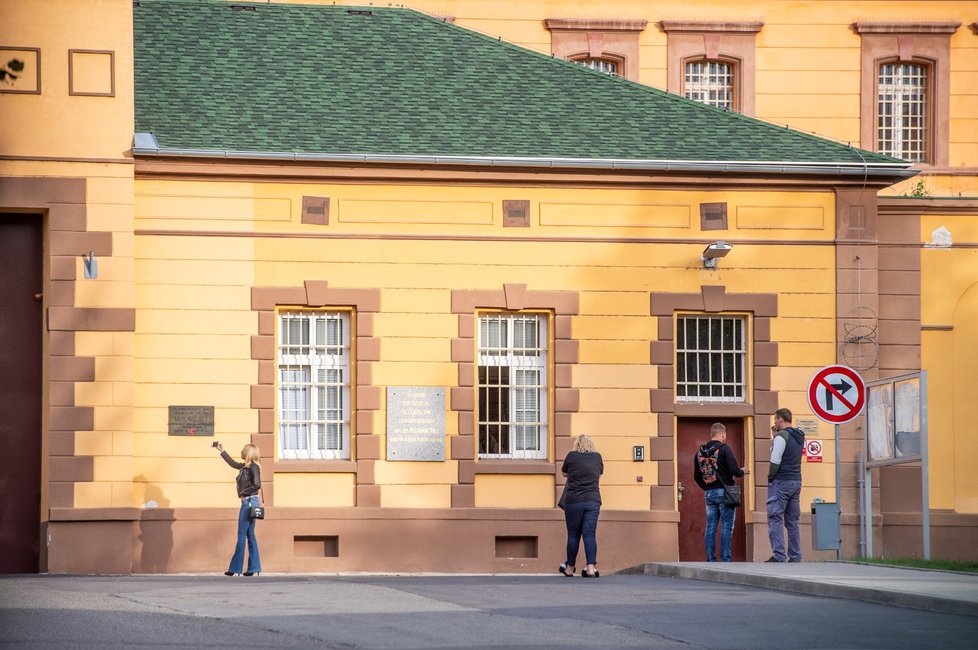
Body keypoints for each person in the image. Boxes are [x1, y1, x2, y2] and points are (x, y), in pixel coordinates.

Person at [693, 422, 749, 562]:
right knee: (726, 526)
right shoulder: (725, 449)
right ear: (723, 435)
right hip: (725, 492)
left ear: (711, 435)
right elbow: (734, 471)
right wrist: (744, 471)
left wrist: (707, 487)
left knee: (710, 526)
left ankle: (710, 559)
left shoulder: (699, 453)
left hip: (709, 493)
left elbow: (696, 477)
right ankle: (726, 559)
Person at [558, 434, 603, 578]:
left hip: (574, 501)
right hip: (593, 500)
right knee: (590, 535)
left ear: (577, 444)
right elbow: (599, 474)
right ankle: (590, 568)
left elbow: (564, 473)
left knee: (573, 535)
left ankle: (570, 568)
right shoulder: (597, 457)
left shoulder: (571, 456)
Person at [216, 441, 263, 576]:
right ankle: (254, 568)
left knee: (242, 536)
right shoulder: (246, 467)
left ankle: (235, 568)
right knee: (250, 535)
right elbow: (232, 463)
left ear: (248, 453)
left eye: (243, 450)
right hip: (251, 503)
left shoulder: (253, 467)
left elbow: (257, 485)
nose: (241, 452)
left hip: (248, 503)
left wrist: (243, 493)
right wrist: (222, 450)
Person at [766, 408, 806, 562]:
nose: (774, 422)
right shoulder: (800, 436)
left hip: (782, 481)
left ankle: (779, 555)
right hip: (797, 481)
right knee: (792, 521)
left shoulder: (781, 436)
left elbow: (775, 460)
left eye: (775, 419)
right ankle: (795, 555)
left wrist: (770, 478)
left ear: (781, 419)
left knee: (775, 517)